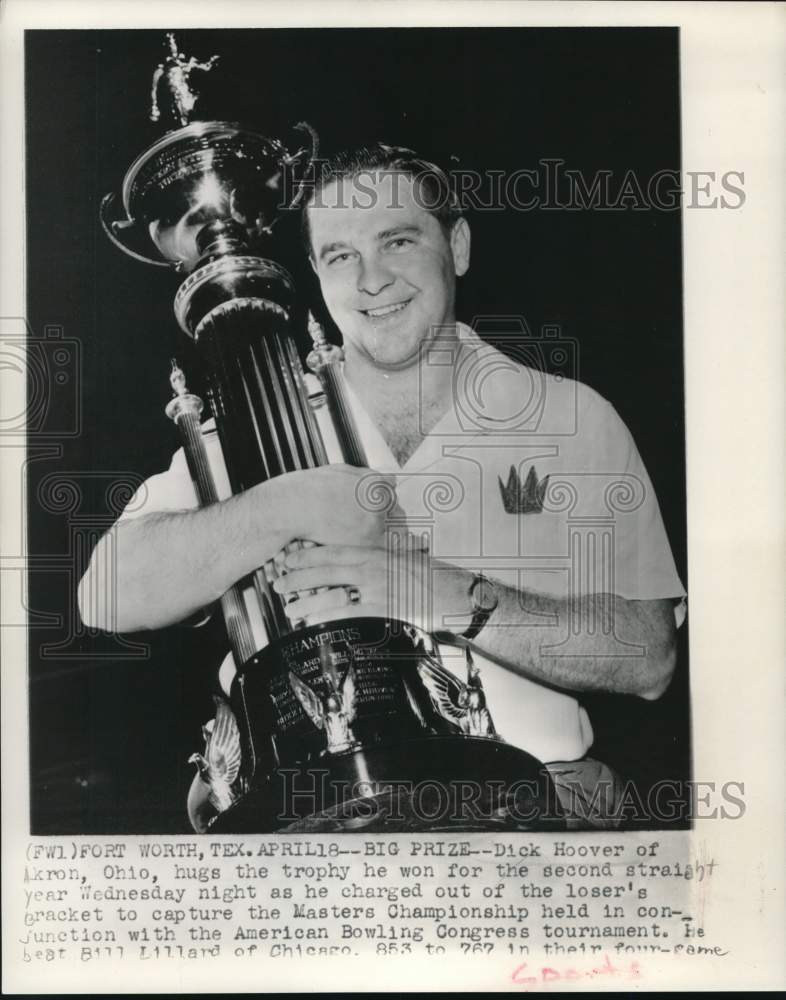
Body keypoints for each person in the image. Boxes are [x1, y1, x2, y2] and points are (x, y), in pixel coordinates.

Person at [78, 144, 686, 827]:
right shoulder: (256, 423)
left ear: (455, 244)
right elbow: (105, 595)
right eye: (340, 255)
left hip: (538, 805)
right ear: (313, 271)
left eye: (397, 240)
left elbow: (648, 656)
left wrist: (432, 591)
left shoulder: (569, 417)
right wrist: (283, 505)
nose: (371, 280)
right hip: (323, 819)